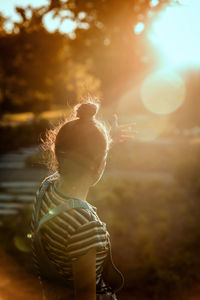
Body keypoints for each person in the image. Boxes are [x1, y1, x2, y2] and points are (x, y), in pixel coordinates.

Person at [29, 100, 136, 300]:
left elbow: (81, 154)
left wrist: (106, 141)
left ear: (56, 153)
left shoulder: (45, 189)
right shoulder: (86, 227)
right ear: (98, 163)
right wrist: (103, 145)